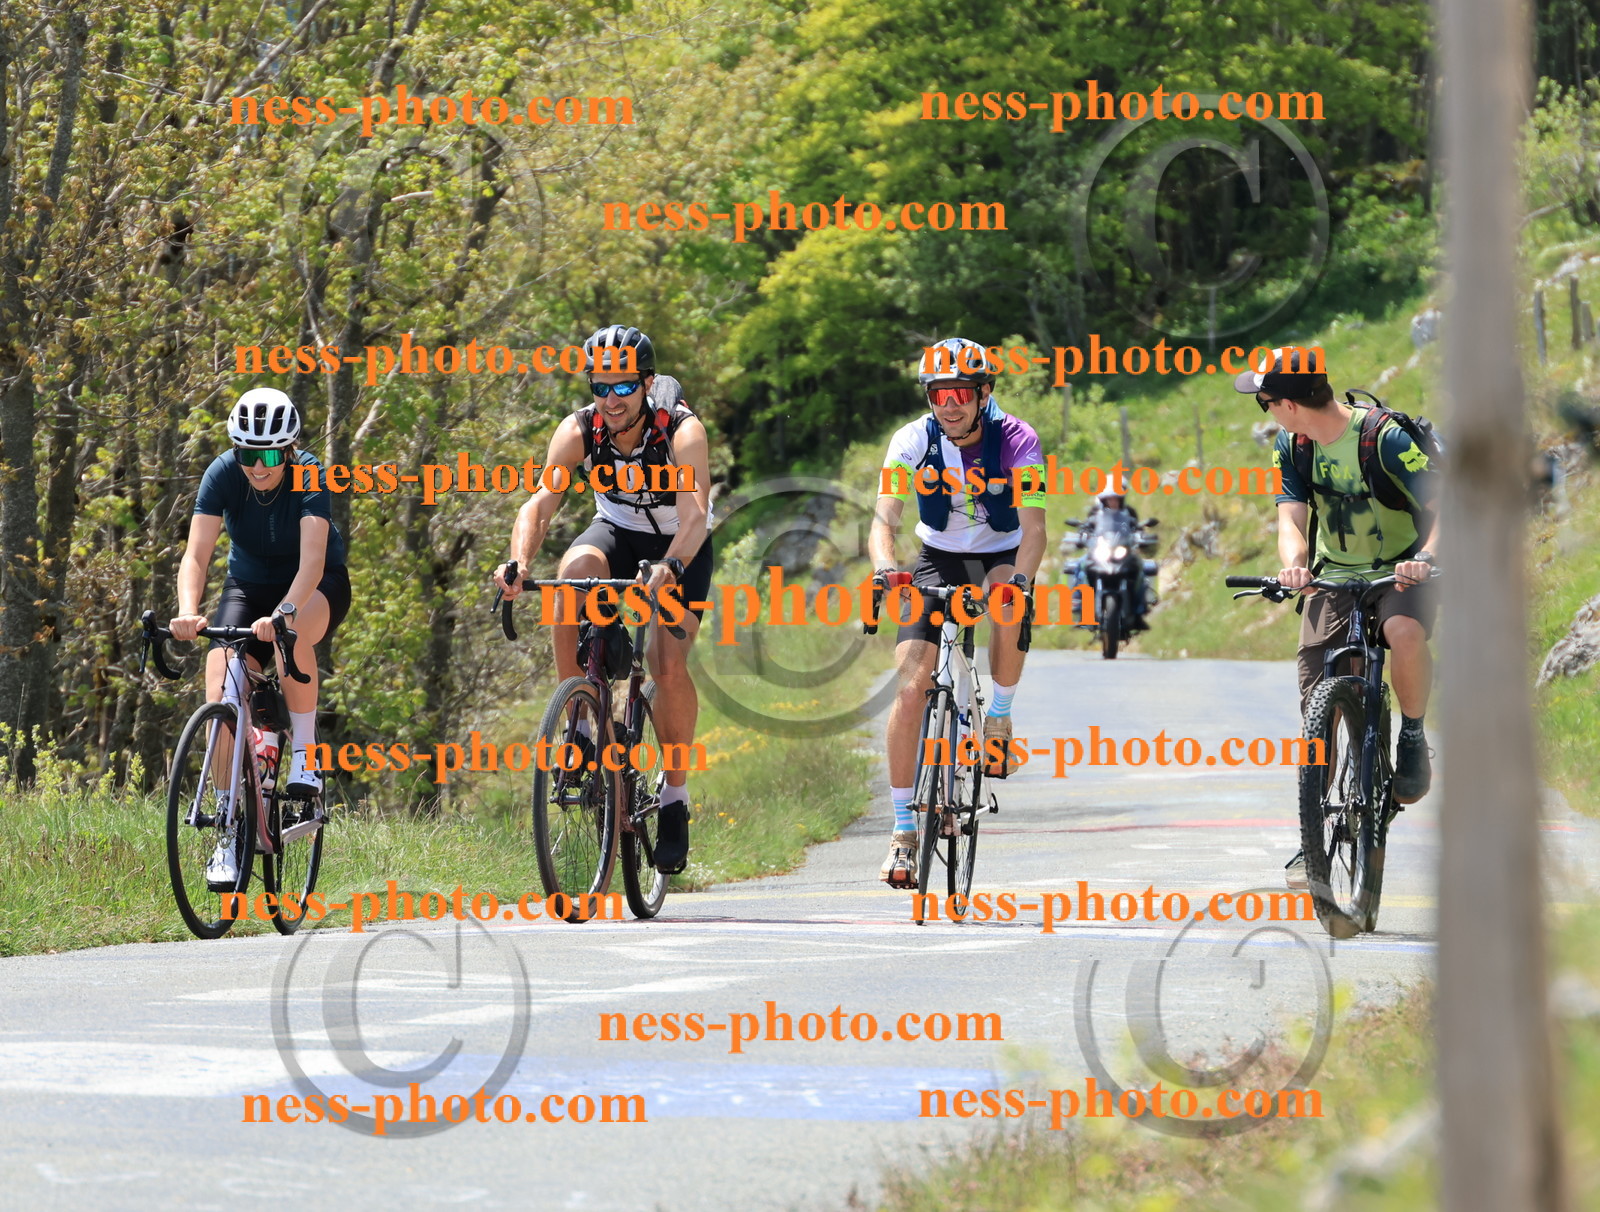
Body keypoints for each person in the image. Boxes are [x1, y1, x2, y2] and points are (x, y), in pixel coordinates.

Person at [494, 325, 712, 875]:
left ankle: (675, 799)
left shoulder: (682, 432)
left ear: (645, 384)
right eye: (600, 386)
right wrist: (519, 562)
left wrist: (671, 567)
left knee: (665, 661)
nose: (611, 399)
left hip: (678, 543)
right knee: (574, 574)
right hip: (615, 530)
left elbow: (693, 517)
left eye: (622, 387)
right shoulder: (579, 429)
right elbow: (541, 503)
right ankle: (583, 722)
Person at [1234, 348, 1439, 889]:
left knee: (1403, 630)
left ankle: (1412, 737)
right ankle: (1313, 841)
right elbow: (1291, 518)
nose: (1267, 411)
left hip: (1400, 574)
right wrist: (1294, 566)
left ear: (1292, 404)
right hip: (1335, 577)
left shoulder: (1383, 438)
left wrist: (1428, 558)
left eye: (1266, 401)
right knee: (1316, 700)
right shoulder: (1293, 445)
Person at [870, 337, 1047, 888]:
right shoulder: (910, 440)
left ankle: (998, 715)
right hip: (936, 557)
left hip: (1000, 550)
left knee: (1009, 605)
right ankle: (902, 834)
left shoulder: (1018, 439)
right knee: (908, 687)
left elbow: (1036, 529)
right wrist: (884, 569)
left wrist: (1019, 580)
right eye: (939, 393)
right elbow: (885, 521)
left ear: (983, 393)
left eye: (961, 393)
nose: (950, 404)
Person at [169, 388, 351, 888]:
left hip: (315, 584)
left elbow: (313, 561)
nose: (258, 465)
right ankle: (228, 827)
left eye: (270, 454)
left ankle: (305, 756)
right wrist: (188, 612)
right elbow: (197, 555)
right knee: (220, 680)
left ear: (289, 450)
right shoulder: (222, 474)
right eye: (248, 453)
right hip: (247, 587)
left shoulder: (310, 472)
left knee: (287, 636)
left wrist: (285, 612)